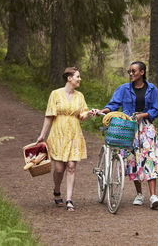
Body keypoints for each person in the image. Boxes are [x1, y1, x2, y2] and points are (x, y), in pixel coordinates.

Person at [99, 61, 158, 209]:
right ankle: (139, 194)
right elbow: (113, 105)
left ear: (142, 72)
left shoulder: (152, 89)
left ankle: (153, 196)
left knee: (150, 158)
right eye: (130, 72)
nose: (131, 74)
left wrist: (144, 115)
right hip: (127, 126)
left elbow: (157, 108)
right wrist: (103, 111)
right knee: (132, 159)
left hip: (146, 127)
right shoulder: (123, 89)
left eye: (134, 71)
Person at [36, 67, 97, 212]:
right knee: (59, 168)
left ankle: (69, 199)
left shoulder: (80, 96)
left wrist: (89, 113)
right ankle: (57, 190)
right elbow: (49, 115)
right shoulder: (55, 94)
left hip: (74, 134)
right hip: (58, 134)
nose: (80, 79)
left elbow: (82, 115)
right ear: (69, 78)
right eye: (77, 76)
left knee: (71, 166)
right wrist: (42, 135)